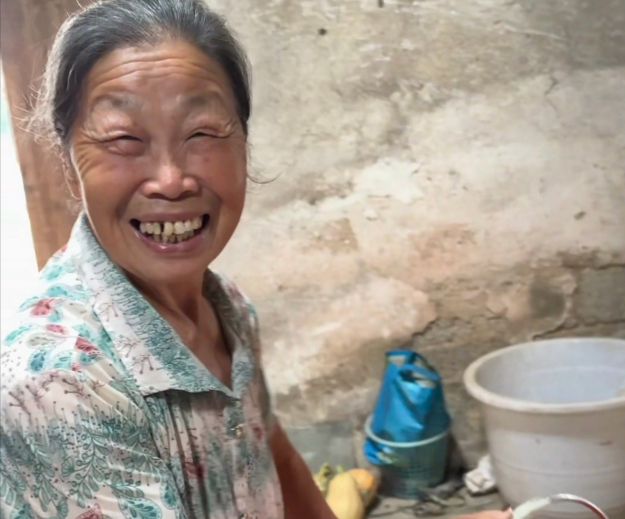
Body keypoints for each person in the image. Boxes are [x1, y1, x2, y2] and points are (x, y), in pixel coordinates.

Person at [0, 1, 512, 518]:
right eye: (123, 139)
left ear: (243, 144)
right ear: (68, 164)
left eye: (202, 133)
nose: (171, 180)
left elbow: (275, 459)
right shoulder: (61, 380)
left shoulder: (228, 307)